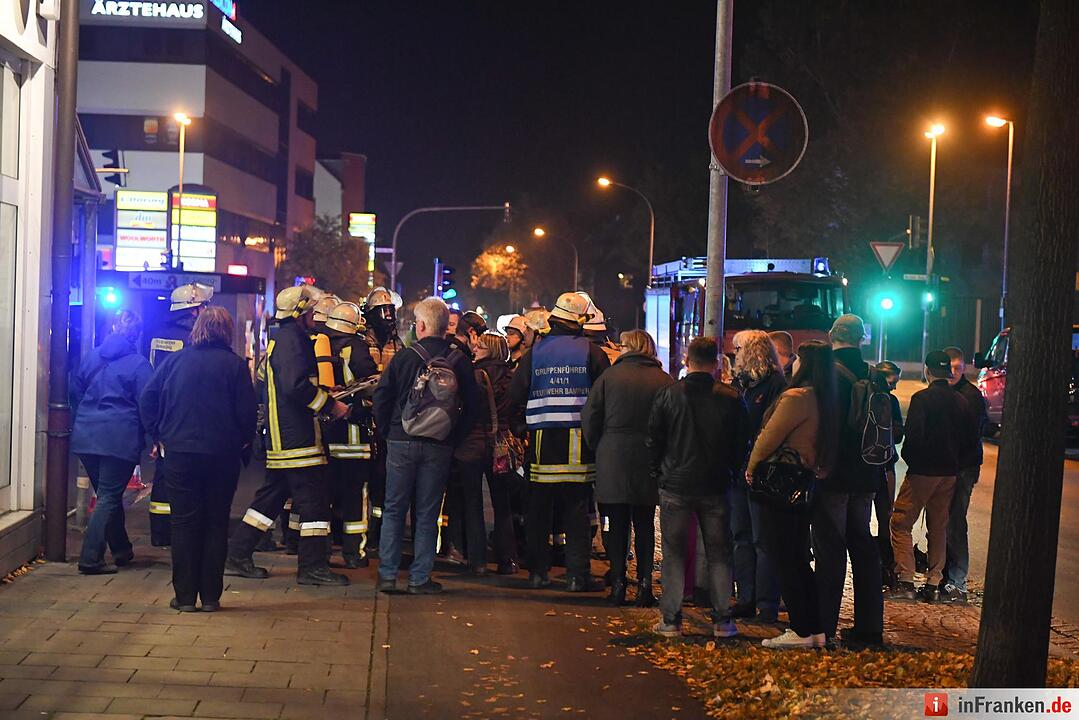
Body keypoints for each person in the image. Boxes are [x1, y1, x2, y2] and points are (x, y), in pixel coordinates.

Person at [231, 286, 350, 586]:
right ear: (299, 313)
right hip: (297, 441)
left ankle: (238, 553)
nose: (314, 316)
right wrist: (330, 405)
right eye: (310, 311)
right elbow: (295, 386)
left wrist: (323, 394)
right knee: (314, 504)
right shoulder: (292, 340)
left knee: (270, 499)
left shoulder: (281, 337)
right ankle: (312, 567)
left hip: (286, 437)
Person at [139, 307, 256, 611]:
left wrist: (158, 435)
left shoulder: (175, 362)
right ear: (227, 331)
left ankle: (185, 596)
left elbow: (147, 399)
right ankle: (211, 597)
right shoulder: (235, 366)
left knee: (184, 523)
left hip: (180, 453)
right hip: (222, 454)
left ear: (197, 328)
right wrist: (242, 443)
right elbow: (247, 414)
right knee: (216, 522)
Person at [373, 296, 480, 594]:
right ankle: (420, 578)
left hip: (401, 440)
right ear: (446, 327)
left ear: (420, 325)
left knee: (394, 509)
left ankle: (388, 575)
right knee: (427, 512)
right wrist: (453, 438)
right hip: (439, 445)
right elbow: (473, 406)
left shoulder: (404, 357)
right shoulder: (459, 360)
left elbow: (382, 398)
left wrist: (388, 432)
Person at [647, 337, 749, 639]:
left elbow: (654, 439)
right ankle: (722, 620)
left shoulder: (669, 395)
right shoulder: (731, 398)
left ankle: (671, 620)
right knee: (719, 553)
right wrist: (730, 471)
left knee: (674, 553)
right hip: (716, 484)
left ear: (686, 360)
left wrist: (659, 473)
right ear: (716, 362)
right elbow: (741, 441)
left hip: (676, 484)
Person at [509, 292, 611, 592]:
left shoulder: (535, 354)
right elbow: (605, 398)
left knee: (538, 513)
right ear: (579, 322)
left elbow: (515, 395)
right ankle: (577, 577)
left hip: (541, 445)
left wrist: (520, 426)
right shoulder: (592, 353)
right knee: (576, 514)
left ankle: (537, 574)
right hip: (579, 446)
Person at [747, 340, 839, 648]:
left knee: (785, 557)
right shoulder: (826, 397)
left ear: (807, 364)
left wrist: (751, 467)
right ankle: (815, 629)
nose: (793, 363)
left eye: (798, 358)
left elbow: (769, 437)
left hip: (782, 484)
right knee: (798, 557)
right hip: (805, 483)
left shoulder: (798, 397)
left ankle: (801, 630)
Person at [581, 329, 673, 606]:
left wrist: (600, 446)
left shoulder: (609, 377)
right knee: (644, 524)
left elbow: (590, 416)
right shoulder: (664, 380)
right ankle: (645, 586)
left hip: (613, 455)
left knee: (617, 524)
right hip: (648, 457)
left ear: (627, 347)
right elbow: (671, 423)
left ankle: (618, 584)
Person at [815, 314, 885, 646]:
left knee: (830, 546)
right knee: (862, 543)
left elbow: (822, 423)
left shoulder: (826, 372)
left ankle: (824, 625)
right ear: (861, 338)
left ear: (832, 336)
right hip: (868, 473)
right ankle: (870, 627)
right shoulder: (875, 375)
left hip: (834, 474)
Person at [70, 310, 153, 575]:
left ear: (113, 328)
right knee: (108, 496)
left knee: (109, 495)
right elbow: (148, 405)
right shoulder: (139, 365)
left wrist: (82, 419)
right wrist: (153, 436)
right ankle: (91, 558)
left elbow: (75, 392)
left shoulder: (92, 356)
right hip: (119, 440)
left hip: (86, 437)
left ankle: (121, 550)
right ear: (136, 335)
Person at [890, 351, 974, 602]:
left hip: (924, 471)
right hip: (949, 473)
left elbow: (914, 436)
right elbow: (968, 440)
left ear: (927, 371)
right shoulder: (960, 401)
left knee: (901, 523)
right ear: (948, 372)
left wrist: (911, 460)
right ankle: (934, 583)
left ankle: (905, 580)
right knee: (939, 527)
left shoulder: (922, 399)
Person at [146, 282, 214, 548]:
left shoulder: (158, 333)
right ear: (194, 309)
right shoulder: (193, 338)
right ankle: (185, 528)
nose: (207, 310)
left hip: (163, 412)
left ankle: (160, 532)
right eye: (204, 306)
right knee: (185, 475)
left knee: (163, 474)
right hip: (186, 414)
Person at [729, 330, 786, 622]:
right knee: (741, 536)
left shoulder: (774, 384)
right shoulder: (741, 385)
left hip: (762, 473)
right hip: (740, 472)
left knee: (764, 539)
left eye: (738, 349)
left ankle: (767, 603)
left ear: (753, 351)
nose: (733, 354)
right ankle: (746, 596)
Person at [454, 332, 519, 575]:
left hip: (472, 443)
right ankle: (507, 560)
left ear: (490, 350)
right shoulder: (511, 377)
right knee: (502, 504)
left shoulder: (474, 375)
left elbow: (465, 410)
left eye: (480, 346)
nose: (475, 348)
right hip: (500, 444)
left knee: (473, 503)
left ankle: (478, 561)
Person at [323, 301, 380, 569]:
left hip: (324, 435)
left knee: (325, 496)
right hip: (354, 436)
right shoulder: (356, 347)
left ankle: (321, 550)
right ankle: (353, 553)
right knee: (356, 497)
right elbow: (372, 383)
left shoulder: (319, 345)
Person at [939, 347, 988, 603]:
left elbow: (970, 436)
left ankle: (957, 581)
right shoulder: (947, 393)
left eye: (958, 368)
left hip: (963, 467)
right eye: (950, 367)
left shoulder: (971, 396)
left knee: (956, 520)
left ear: (965, 368)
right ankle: (946, 574)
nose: (954, 372)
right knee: (942, 520)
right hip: (948, 465)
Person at [363, 287, 404, 553]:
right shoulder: (361, 342)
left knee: (383, 482)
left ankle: (377, 535)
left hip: (386, 423)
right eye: (383, 311)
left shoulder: (397, 345)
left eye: (391, 311)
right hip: (363, 419)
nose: (389, 316)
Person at [872, 360, 904, 589]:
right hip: (885, 465)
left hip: (868, 464)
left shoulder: (866, 395)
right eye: (894, 380)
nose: (895, 386)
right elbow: (899, 435)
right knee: (886, 516)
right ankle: (885, 567)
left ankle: (878, 566)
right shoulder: (888, 401)